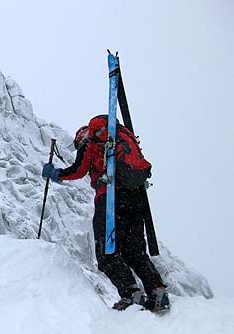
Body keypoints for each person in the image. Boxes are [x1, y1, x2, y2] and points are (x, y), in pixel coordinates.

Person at [42, 115, 170, 312]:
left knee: (107, 253)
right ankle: (157, 292)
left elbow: (78, 169)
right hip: (136, 198)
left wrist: (56, 174)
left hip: (111, 199)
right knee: (134, 251)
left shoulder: (91, 141)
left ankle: (131, 294)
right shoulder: (122, 137)